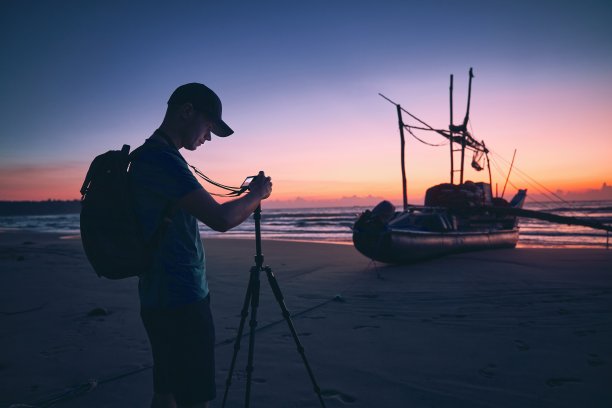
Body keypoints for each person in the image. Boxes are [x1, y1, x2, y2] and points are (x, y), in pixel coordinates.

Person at [129, 83, 272, 408]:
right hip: (181, 297)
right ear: (186, 111)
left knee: (166, 387)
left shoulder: (146, 157)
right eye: (208, 127)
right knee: (193, 396)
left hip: (155, 294)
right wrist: (257, 195)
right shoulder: (163, 161)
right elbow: (221, 219)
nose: (207, 138)